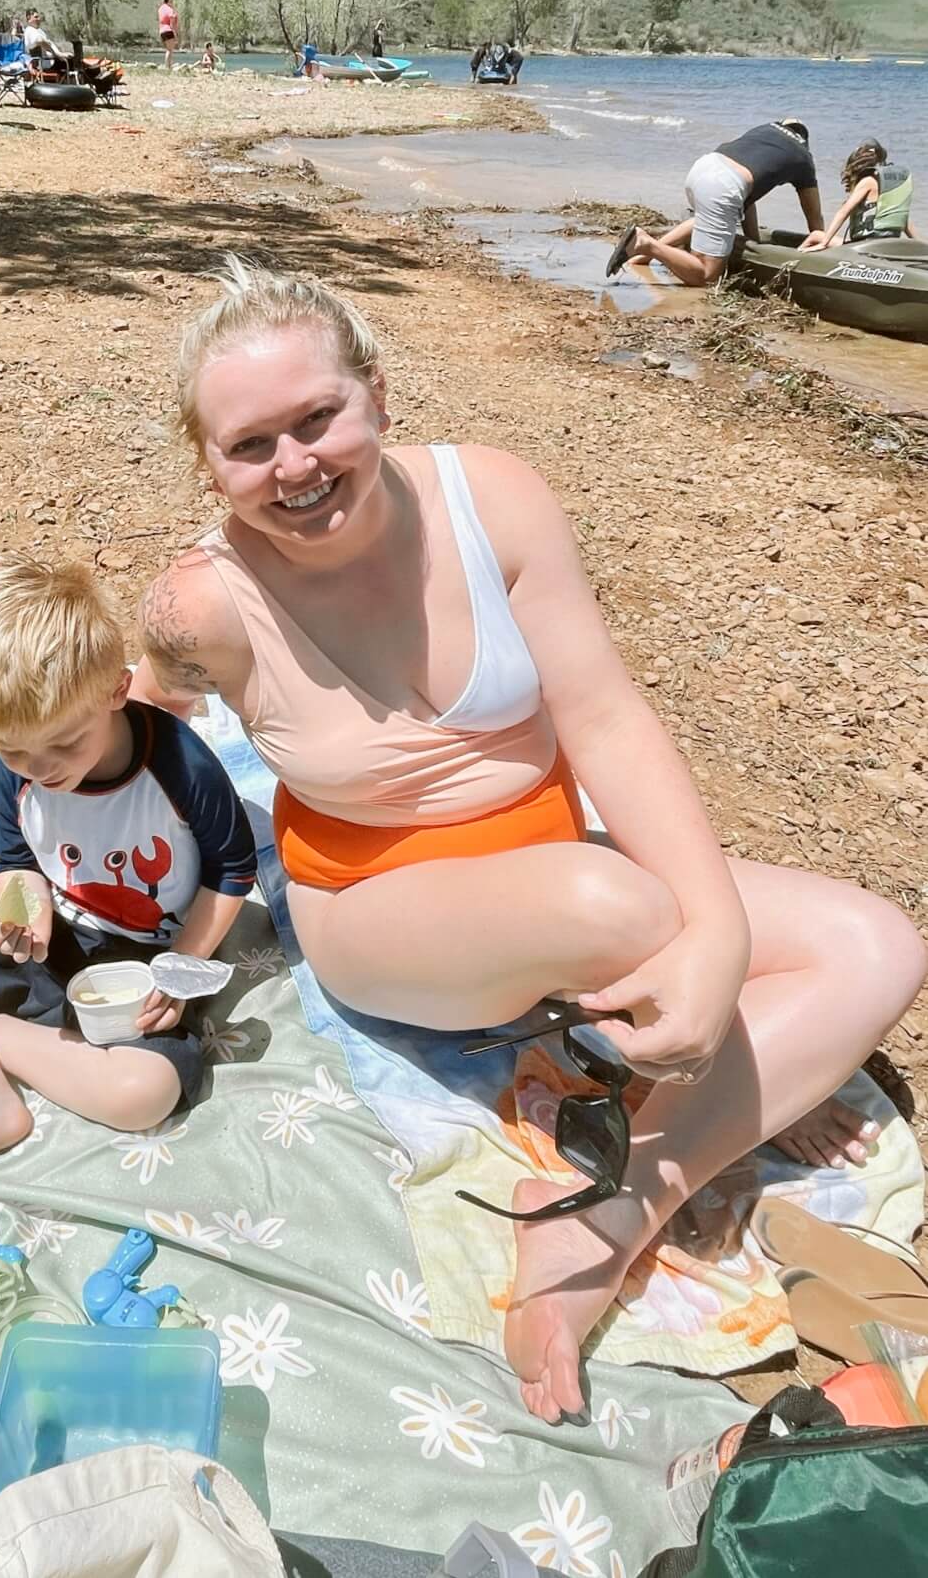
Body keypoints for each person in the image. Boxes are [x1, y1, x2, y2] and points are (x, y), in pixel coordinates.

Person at [132, 258, 925, 1426]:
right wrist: (62, 843)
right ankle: (639, 1175)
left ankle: (611, 1211)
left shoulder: (489, 498)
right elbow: (137, 712)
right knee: (625, 915)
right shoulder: (202, 603)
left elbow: (602, 713)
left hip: (558, 855)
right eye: (251, 446)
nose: (293, 466)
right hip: (381, 907)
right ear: (208, 464)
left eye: (317, 419)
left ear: (377, 397)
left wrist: (717, 932)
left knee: (877, 944)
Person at [0, 553, 257, 1194]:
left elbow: (234, 868)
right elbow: (15, 864)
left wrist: (181, 967)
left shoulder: (180, 766)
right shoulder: (13, 767)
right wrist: (21, 907)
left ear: (116, 690)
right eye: (13, 748)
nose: (40, 769)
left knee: (143, 1094)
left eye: (65, 744)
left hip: (143, 962)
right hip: (57, 938)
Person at [609, 118, 824, 287]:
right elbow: (814, 218)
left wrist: (753, 242)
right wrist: (822, 249)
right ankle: (645, 245)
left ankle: (641, 258)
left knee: (707, 217)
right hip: (725, 186)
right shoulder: (803, 157)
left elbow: (747, 200)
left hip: (703, 168)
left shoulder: (764, 132)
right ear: (804, 140)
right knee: (706, 275)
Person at [800, 139, 917, 250]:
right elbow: (904, 222)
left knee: (815, 235)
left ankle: (791, 260)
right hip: (888, 244)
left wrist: (824, 243)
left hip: (865, 245)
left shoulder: (867, 182)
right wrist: (921, 246)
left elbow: (843, 212)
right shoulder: (889, 189)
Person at [23, 7, 65, 72]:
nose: (39, 19)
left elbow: (46, 42)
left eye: (38, 17)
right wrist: (56, 54)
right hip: (40, 63)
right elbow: (40, 41)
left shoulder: (39, 31)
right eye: (36, 17)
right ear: (29, 19)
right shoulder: (29, 30)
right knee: (67, 63)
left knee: (71, 60)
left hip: (48, 59)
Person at [158, 0, 179, 70]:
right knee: (170, 50)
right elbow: (172, 23)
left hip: (162, 30)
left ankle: (168, 65)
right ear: (169, 0)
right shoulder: (170, 9)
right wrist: (175, 34)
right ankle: (168, 66)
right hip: (168, 30)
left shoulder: (160, 8)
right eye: (172, 1)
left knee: (168, 49)